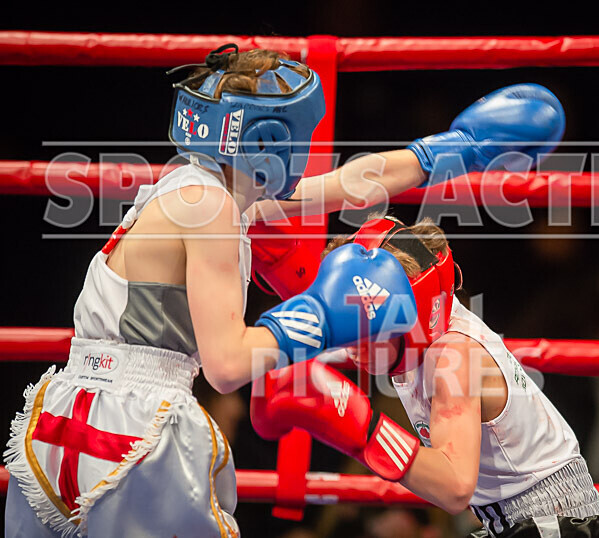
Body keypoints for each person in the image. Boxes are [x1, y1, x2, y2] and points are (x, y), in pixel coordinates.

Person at [5, 40, 542, 536]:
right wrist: (323, 314)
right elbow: (227, 365)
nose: (306, 152)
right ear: (268, 140)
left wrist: (450, 151)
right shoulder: (214, 209)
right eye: (301, 137)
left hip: (66, 417)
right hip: (136, 425)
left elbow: (347, 184)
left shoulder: (194, 186)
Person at [251, 216, 599, 538]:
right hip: (511, 520)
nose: (354, 346)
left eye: (368, 330)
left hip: (554, 522)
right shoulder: (405, 326)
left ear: (409, 318)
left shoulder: (452, 357)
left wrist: (360, 429)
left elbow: (454, 487)